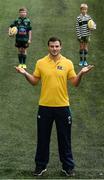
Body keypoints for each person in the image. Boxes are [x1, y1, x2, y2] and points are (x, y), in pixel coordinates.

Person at [15, 37, 94, 177]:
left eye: (57, 46)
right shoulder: (41, 62)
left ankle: (67, 167)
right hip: (44, 107)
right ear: (48, 47)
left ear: (60, 47)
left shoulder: (68, 63)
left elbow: (75, 83)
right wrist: (24, 73)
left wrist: (81, 73)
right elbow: (34, 81)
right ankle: (40, 166)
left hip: (63, 107)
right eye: (52, 46)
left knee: (65, 138)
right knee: (42, 138)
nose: (54, 49)